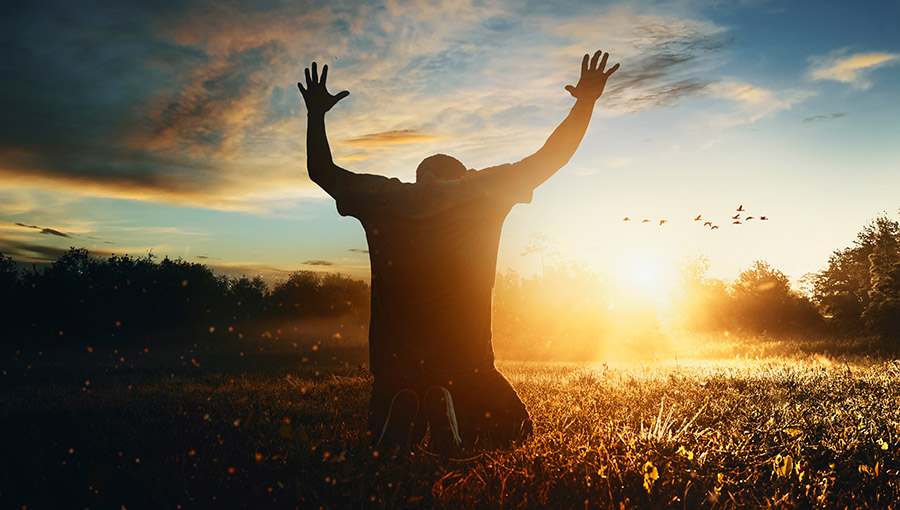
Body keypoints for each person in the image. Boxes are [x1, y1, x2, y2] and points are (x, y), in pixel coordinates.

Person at [298, 50, 619, 454]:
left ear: (421, 176)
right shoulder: (480, 191)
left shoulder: (384, 196)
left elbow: (321, 170)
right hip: (466, 365)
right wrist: (585, 101)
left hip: (393, 365)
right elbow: (551, 157)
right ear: (461, 174)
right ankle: (456, 420)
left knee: (397, 434)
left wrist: (315, 113)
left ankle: (406, 410)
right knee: (516, 433)